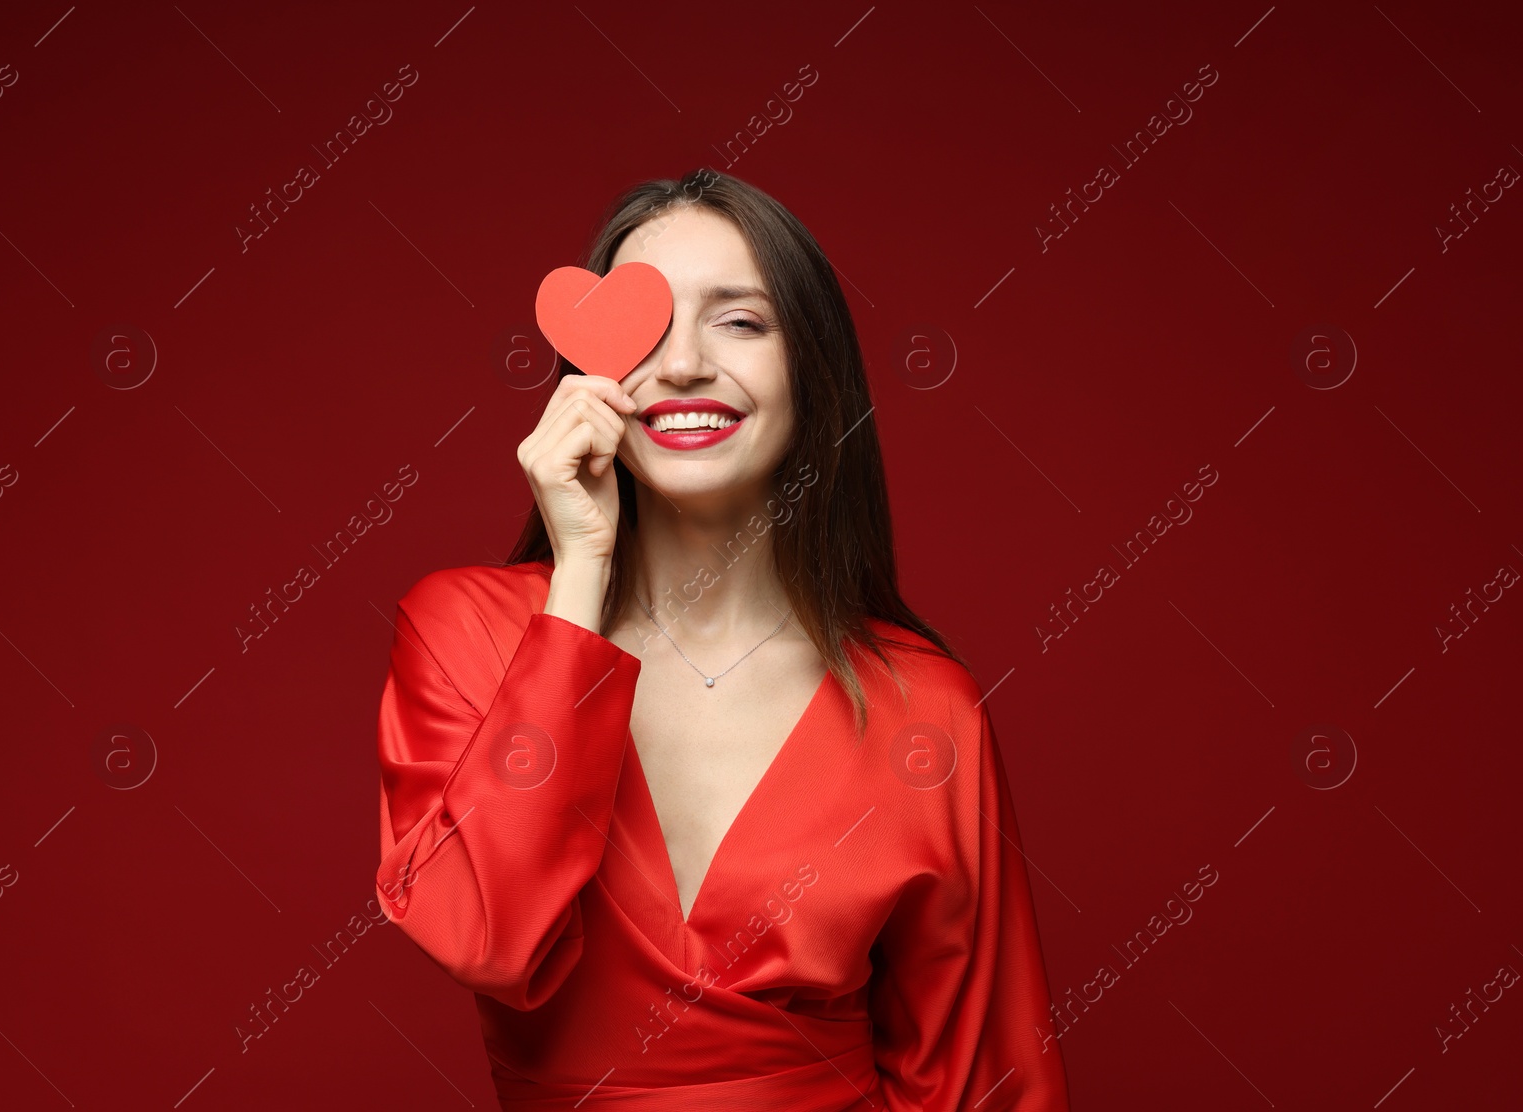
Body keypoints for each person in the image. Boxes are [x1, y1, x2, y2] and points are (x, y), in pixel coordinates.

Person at [374, 168, 1071, 1110]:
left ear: (813, 370)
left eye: (739, 322)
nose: (684, 366)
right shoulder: (467, 630)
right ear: (586, 375)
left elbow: (984, 1080)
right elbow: (486, 937)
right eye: (643, 328)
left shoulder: (925, 708)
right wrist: (580, 577)